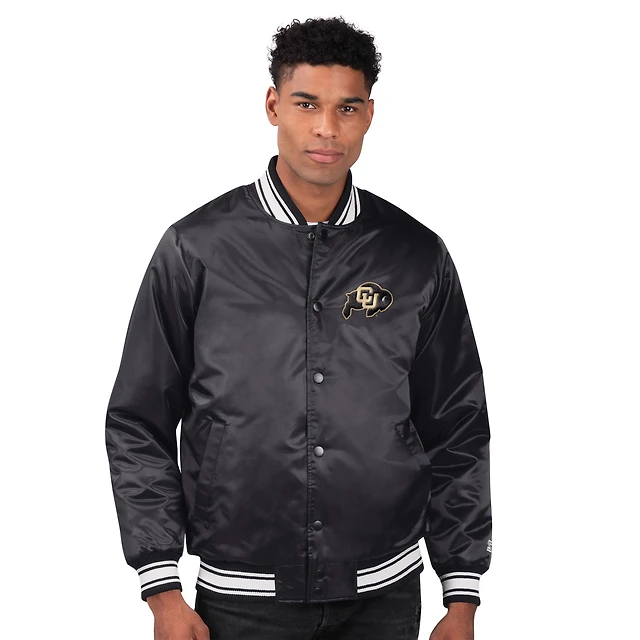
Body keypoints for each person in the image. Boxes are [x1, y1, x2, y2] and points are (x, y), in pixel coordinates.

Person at [105, 16, 492, 640]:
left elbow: (457, 423)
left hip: (385, 597)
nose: (326, 129)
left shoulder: (416, 255)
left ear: (369, 115)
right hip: (241, 597)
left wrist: (462, 591)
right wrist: (161, 588)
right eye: (307, 104)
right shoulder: (196, 248)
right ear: (272, 105)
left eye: (347, 108)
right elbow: (138, 419)